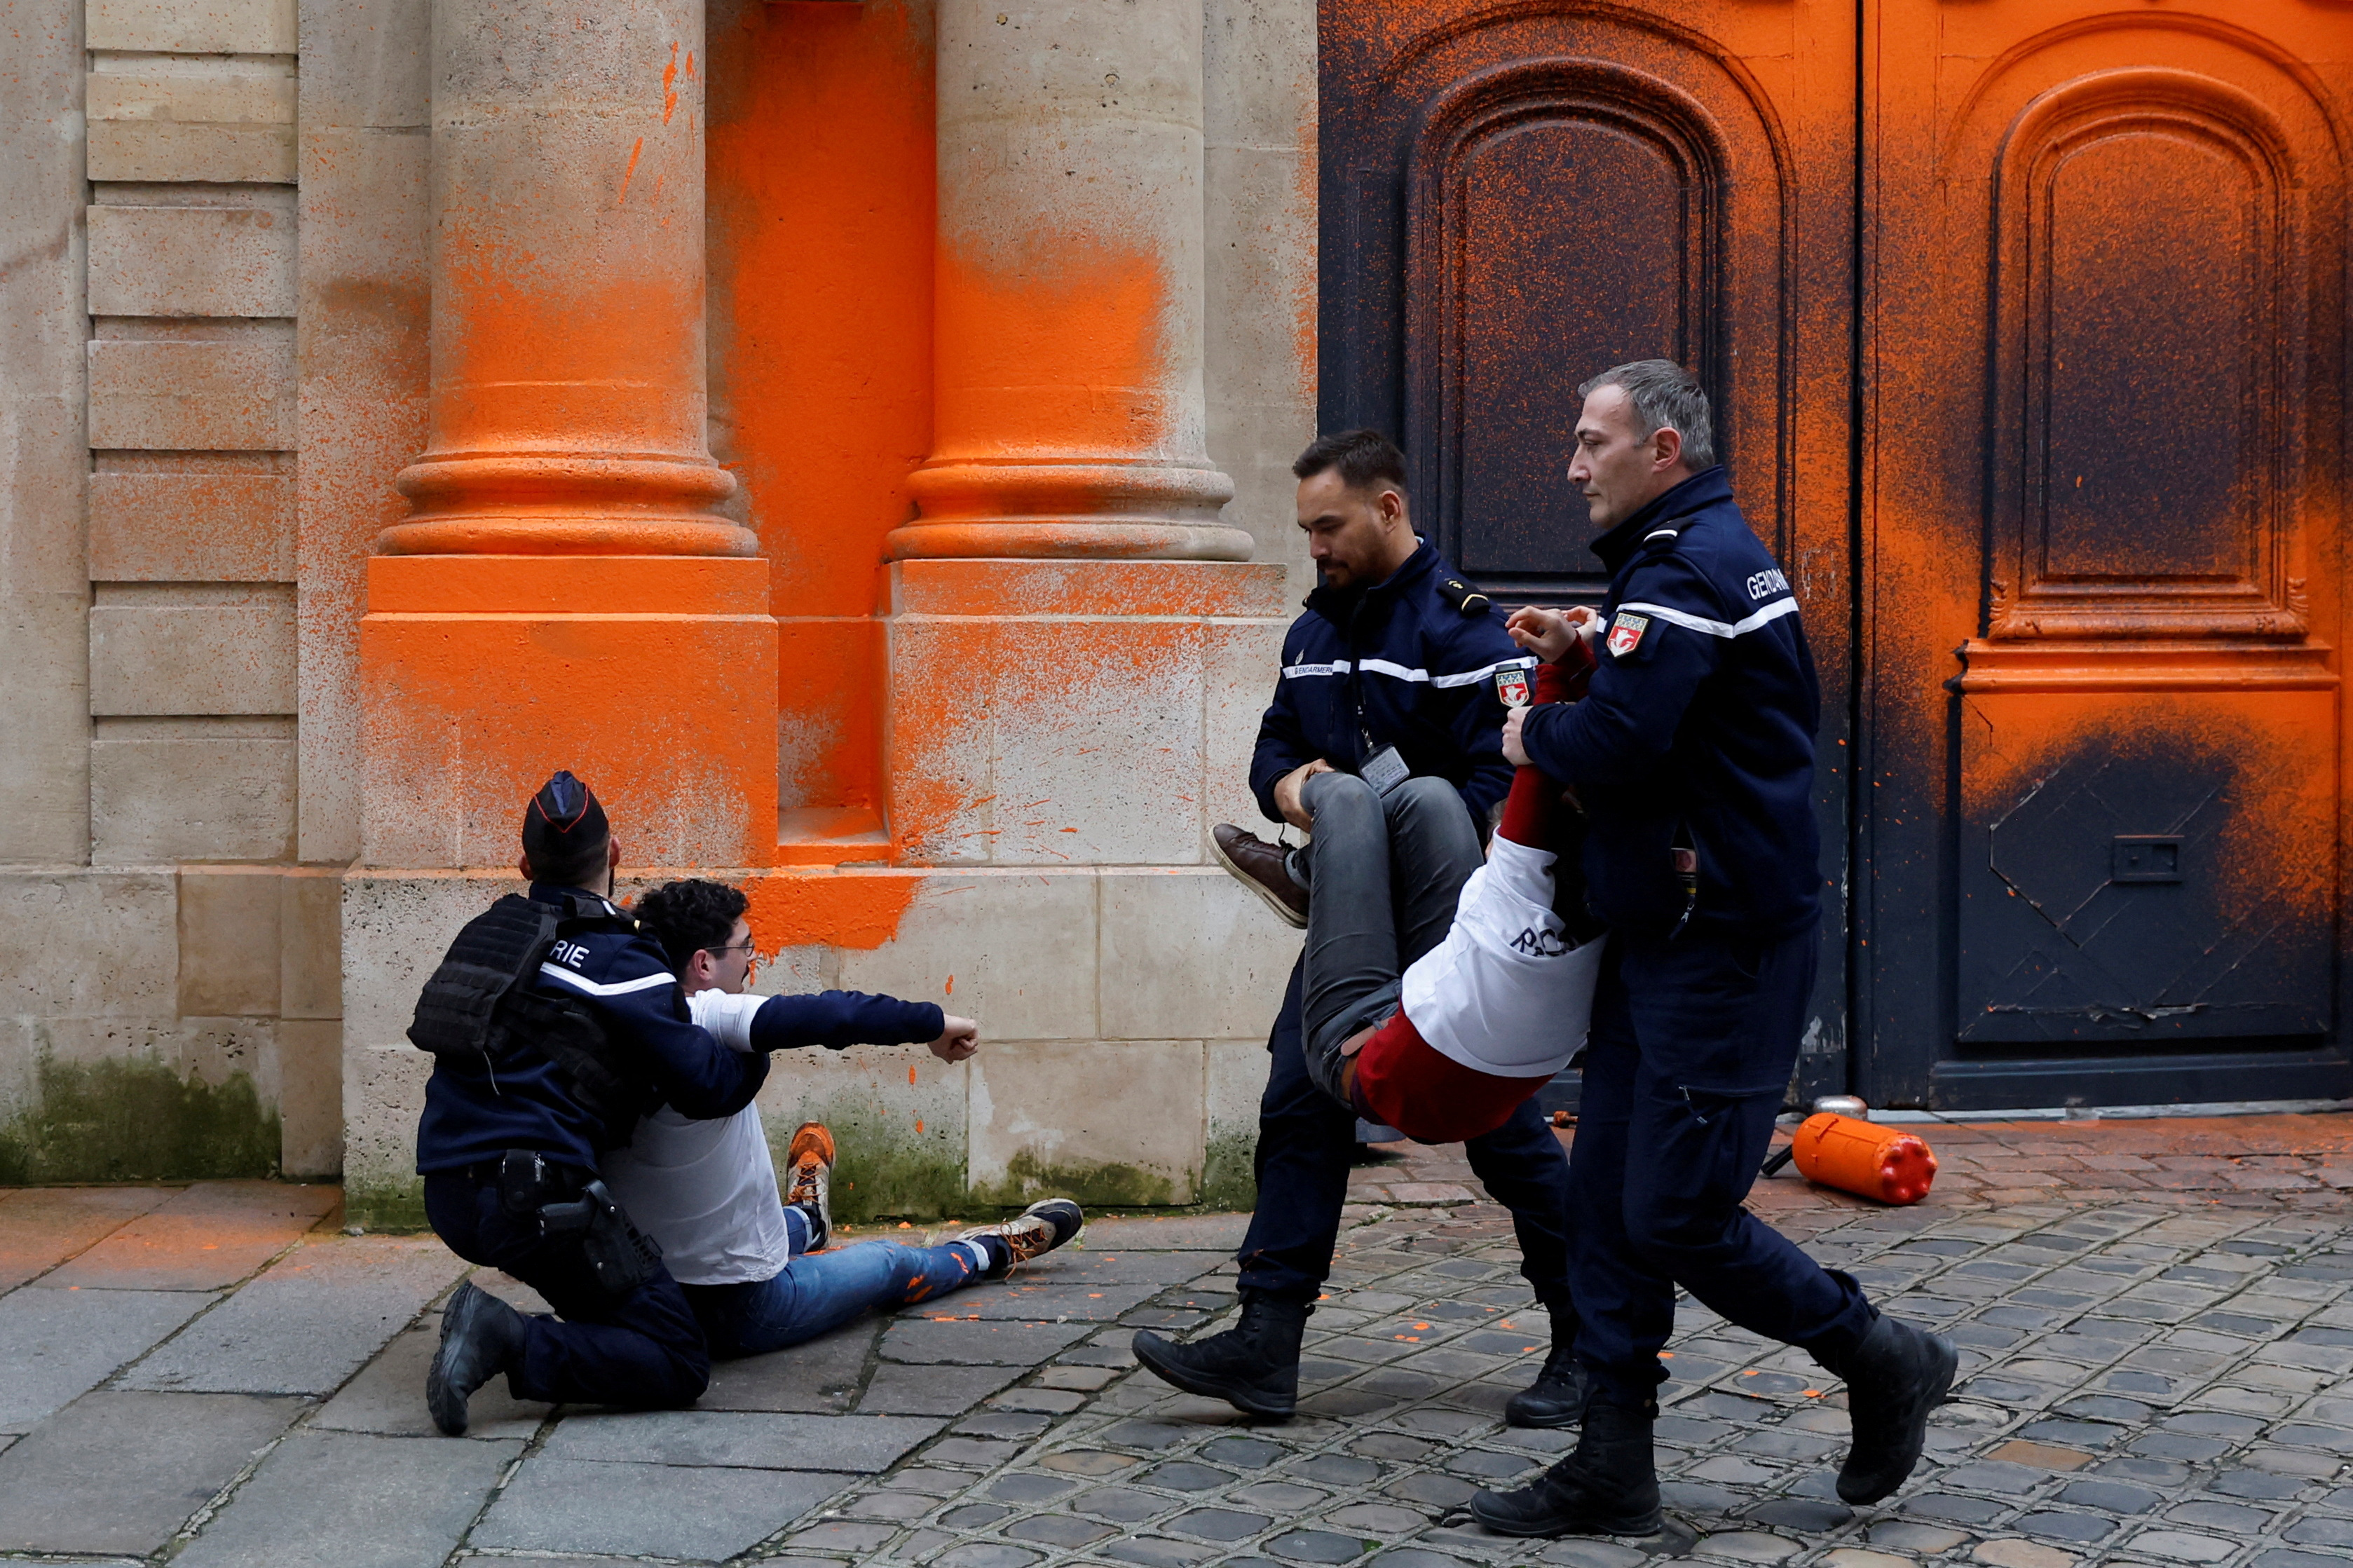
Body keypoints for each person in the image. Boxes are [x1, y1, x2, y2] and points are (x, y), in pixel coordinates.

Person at [1470, 362, 1956, 1537]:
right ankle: (1610, 1465)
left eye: (1594, 443)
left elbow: (1630, 737)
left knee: (1678, 1211)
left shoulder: (1684, 564)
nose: (1574, 466)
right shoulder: (1692, 554)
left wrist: (1531, 724)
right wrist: (1587, 638)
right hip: (1667, 926)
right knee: (1604, 1200)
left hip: (1721, 940)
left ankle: (1882, 1355)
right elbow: (1679, 694)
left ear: (1664, 448)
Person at [1138, 429, 1588, 1429]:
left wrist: (1356, 822)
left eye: (1330, 527)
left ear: (1389, 509)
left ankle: (1590, 1338)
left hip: (1449, 908)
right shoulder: (1310, 632)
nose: (1317, 549)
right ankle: (1265, 1344)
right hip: (1354, 908)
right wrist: (1308, 793)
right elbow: (1272, 753)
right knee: (1299, 1096)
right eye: (1305, 531)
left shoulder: (1469, 633)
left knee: (1498, 1126)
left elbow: (1497, 790)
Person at [409, 772, 770, 1434]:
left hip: (448, 1195)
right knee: (677, 1357)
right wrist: (753, 1035)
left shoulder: (486, 935)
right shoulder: (621, 959)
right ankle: (505, 1336)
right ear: (615, 855)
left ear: (523, 865)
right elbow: (708, 1087)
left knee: (617, 1306)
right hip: (538, 1206)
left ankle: (530, 1327)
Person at [606, 878, 1084, 1356]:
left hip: (637, 1292)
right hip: (740, 1304)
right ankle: (992, 1250)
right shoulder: (704, 1012)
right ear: (703, 964)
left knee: (777, 1222)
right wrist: (936, 1023)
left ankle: (809, 1219)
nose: (752, 961)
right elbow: (833, 1014)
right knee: (887, 1263)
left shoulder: (618, 1015)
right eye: (745, 947)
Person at [1293, 655, 1607, 1145]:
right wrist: (1576, 661)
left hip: (1369, 1067)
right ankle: (1322, 871)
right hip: (1457, 1052)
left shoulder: (1513, 882)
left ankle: (1304, 871)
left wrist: (1565, 660)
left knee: (1341, 797)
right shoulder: (1617, 910)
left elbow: (1533, 752)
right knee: (1430, 796)